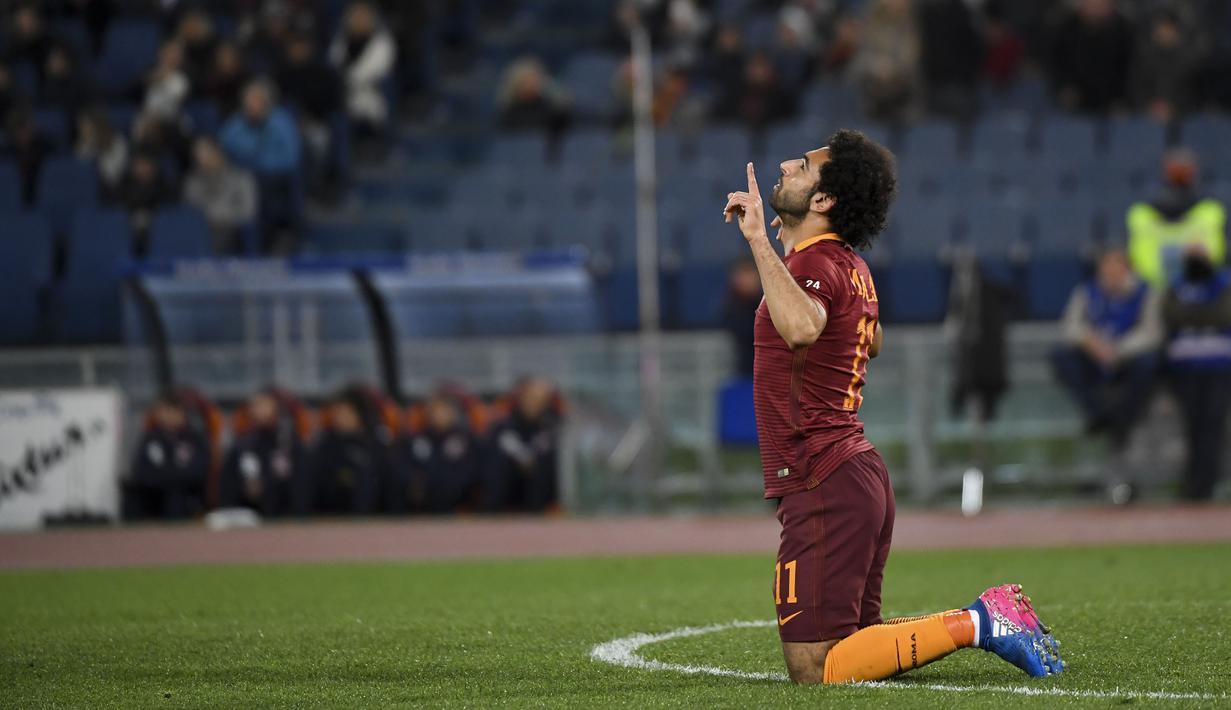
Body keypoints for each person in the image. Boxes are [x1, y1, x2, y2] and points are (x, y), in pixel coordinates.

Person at [721, 129, 1063, 684]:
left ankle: (978, 621)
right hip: (852, 473)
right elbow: (869, 338)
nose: (787, 163)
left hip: (824, 475)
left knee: (816, 666)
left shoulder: (815, 268)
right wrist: (786, 248)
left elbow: (805, 328)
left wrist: (761, 240)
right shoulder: (847, 264)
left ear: (823, 201)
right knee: (856, 650)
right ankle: (981, 618)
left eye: (804, 166)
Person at [1052, 248, 1162, 446]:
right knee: (1061, 356)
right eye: (1107, 270)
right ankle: (1098, 413)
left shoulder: (1145, 292)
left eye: (1116, 270)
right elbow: (1069, 326)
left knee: (1149, 362)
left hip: (1128, 358)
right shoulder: (1087, 292)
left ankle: (1124, 420)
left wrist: (1118, 349)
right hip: (1094, 356)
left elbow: (1151, 333)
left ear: (1128, 270)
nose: (1111, 275)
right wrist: (1091, 342)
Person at [1162, 245, 1231, 501]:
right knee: (1192, 426)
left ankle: (1207, 484)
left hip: (1219, 364)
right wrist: (1201, 315)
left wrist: (1193, 316)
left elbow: (1224, 314)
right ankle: (1192, 484)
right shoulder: (1177, 284)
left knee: (1213, 424)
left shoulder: (1223, 282)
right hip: (1185, 366)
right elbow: (1172, 315)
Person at [219, 78, 302, 252]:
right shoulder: (237, 123)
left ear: (266, 102)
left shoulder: (281, 122)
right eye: (248, 101)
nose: (251, 105)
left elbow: (289, 158)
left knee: (263, 189)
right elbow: (225, 144)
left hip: (273, 178)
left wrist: (255, 161)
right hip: (242, 175)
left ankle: (269, 243)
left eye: (255, 100)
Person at [1128, 149, 1227, 289]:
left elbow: (1216, 255)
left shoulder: (1210, 210)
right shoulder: (1142, 212)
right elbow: (1138, 259)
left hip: (1200, 286)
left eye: (1184, 170)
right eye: (1175, 170)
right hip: (1155, 289)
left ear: (1194, 172)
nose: (1179, 175)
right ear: (1165, 172)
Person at [218, 389, 309, 517]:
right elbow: (228, 486)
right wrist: (244, 490)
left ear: (276, 409)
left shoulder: (290, 444)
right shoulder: (242, 446)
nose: (257, 411)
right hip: (249, 517)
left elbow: (300, 485)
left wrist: (267, 487)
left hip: (285, 517)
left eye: (263, 405)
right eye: (255, 406)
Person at [481, 378, 562, 513]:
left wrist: (532, 461)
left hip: (540, 495)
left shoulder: (554, 427)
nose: (533, 403)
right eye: (530, 398)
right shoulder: (502, 427)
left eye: (539, 399)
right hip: (508, 490)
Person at [124, 395, 211, 520]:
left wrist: (169, 476)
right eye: (161, 411)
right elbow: (140, 471)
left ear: (181, 412)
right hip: (154, 491)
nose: (165, 415)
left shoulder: (194, 438)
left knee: (176, 496)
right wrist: (169, 476)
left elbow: (198, 471)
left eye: (169, 410)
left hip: (184, 493)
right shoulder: (150, 438)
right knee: (133, 494)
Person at [305, 390, 387, 515]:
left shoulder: (375, 442)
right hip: (335, 513)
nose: (340, 417)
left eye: (346, 412)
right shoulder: (326, 444)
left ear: (359, 414)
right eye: (338, 412)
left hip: (375, 516)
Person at [1047, 0, 1135, 114]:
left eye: (1101, 4)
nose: (1095, 9)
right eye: (1092, 4)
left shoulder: (1124, 32)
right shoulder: (1067, 29)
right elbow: (1057, 63)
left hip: (1113, 102)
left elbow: (1132, 69)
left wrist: (1123, 98)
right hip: (1075, 101)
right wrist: (1064, 87)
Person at [404, 392, 482, 514]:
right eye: (435, 411)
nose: (439, 415)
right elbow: (408, 471)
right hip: (423, 508)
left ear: (453, 413)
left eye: (444, 411)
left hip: (459, 508)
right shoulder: (417, 440)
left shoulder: (466, 440)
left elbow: (471, 472)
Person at [327, 1, 396, 131]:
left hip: (373, 96)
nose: (359, 21)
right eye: (356, 17)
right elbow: (333, 63)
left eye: (363, 17)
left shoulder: (382, 42)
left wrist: (346, 78)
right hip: (344, 96)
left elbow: (371, 72)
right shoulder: (342, 41)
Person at [183, 136, 257, 254]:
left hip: (232, 230)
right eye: (197, 154)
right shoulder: (193, 182)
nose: (200, 158)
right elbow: (191, 211)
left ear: (218, 152)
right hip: (203, 231)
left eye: (205, 152)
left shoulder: (241, 178)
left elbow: (248, 212)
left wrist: (222, 217)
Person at [75, 105, 128, 191]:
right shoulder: (84, 144)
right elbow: (79, 168)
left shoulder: (117, 141)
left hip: (112, 188)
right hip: (88, 187)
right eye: (82, 125)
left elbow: (115, 174)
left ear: (97, 124)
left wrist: (98, 159)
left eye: (87, 125)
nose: (83, 129)